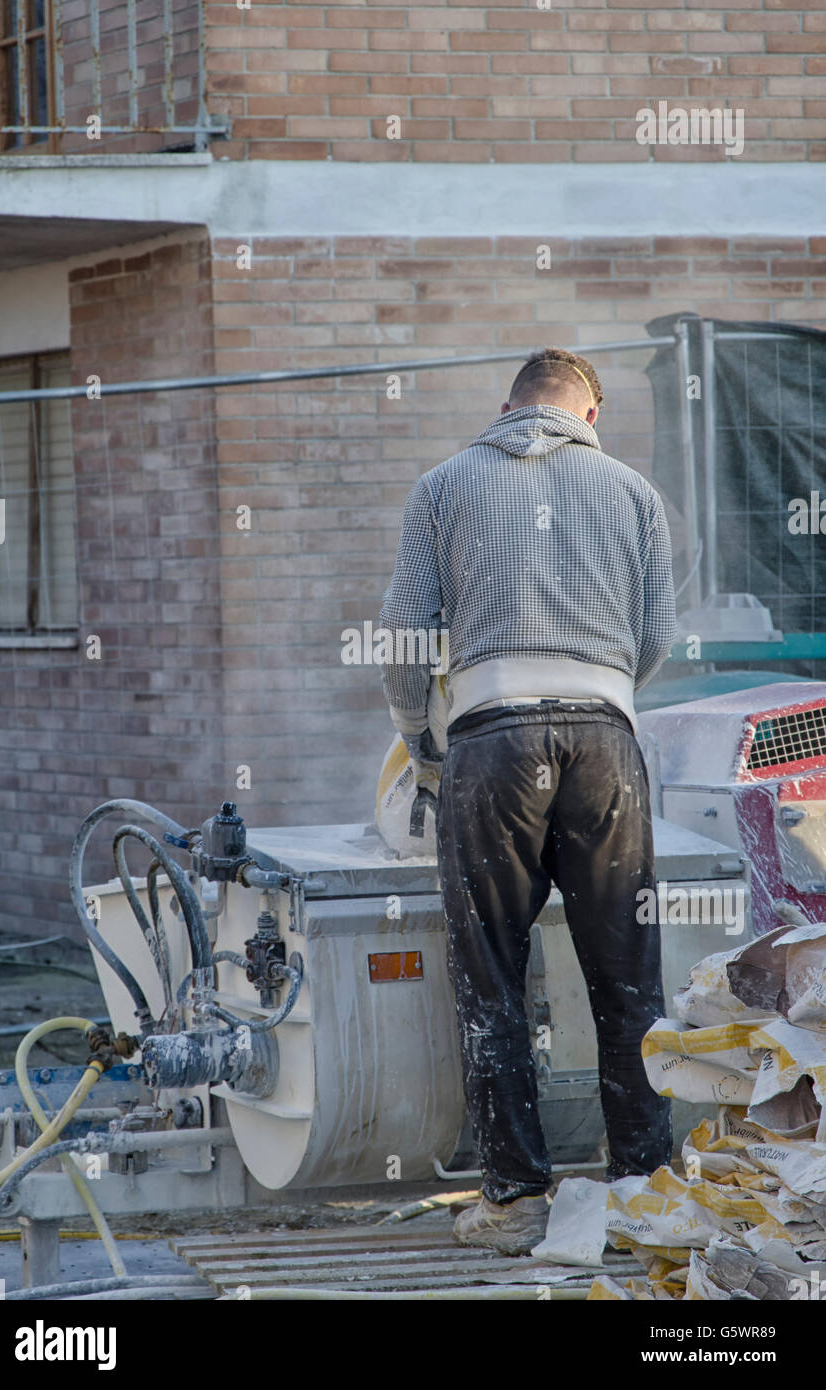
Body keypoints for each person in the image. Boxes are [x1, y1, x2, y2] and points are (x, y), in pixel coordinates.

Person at [379, 347, 678, 1255]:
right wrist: (603, 693)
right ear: (591, 416)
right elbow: (654, 637)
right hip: (604, 743)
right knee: (627, 978)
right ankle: (638, 1190)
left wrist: (420, 735)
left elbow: (402, 638)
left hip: (491, 741)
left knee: (491, 975)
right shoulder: (631, 491)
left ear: (505, 408)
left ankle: (514, 1202)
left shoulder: (441, 486)